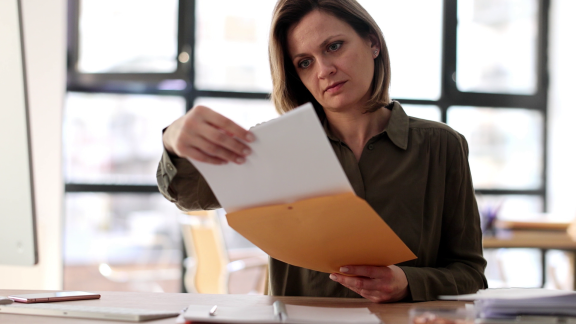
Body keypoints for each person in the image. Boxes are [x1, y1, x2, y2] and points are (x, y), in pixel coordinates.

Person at [158, 0, 487, 302]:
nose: (323, 70)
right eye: (304, 62)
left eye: (334, 46)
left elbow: (470, 275)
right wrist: (174, 139)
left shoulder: (442, 145)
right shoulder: (276, 147)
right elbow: (189, 195)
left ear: (373, 43)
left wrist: (407, 283)